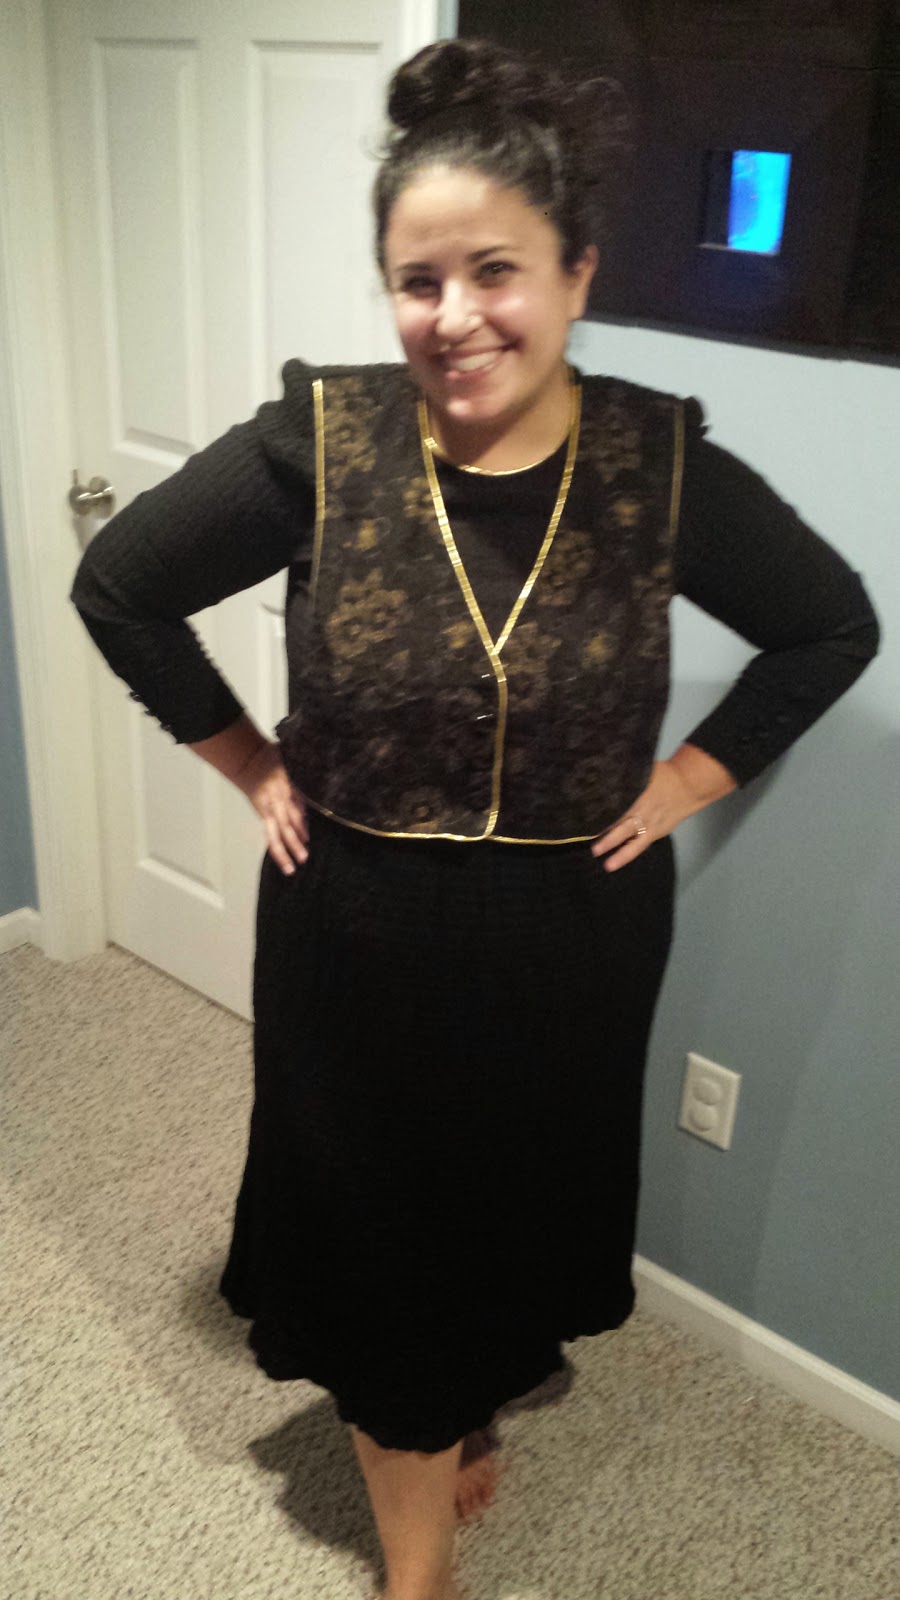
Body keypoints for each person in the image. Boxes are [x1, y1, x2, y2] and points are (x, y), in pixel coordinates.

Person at [69, 35, 880, 1600]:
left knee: (511, 1216)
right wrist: (248, 763)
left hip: (575, 935)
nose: (455, 316)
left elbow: (829, 626)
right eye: (416, 280)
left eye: (495, 271)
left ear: (576, 273)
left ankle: (462, 1407)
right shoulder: (323, 442)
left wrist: (688, 779)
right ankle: (417, 1560)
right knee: (382, 1245)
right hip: (357, 933)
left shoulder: (654, 463)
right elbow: (122, 587)